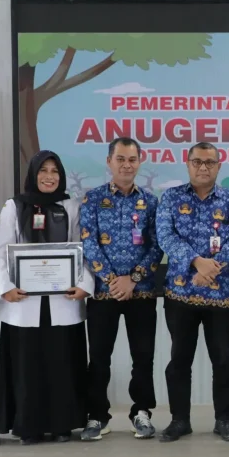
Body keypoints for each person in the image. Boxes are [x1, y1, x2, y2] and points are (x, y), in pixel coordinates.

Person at [0, 151, 93, 445]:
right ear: (33, 174)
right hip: (23, 302)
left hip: (64, 300)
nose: (49, 177)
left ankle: (63, 424)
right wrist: (6, 286)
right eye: (43, 171)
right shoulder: (14, 206)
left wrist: (84, 283)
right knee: (27, 367)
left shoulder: (71, 206)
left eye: (55, 172)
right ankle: (27, 426)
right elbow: (1, 250)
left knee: (62, 365)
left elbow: (83, 248)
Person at [155, 142, 229, 443]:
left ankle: (224, 420)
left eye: (210, 162)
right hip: (181, 293)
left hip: (220, 294)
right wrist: (197, 262)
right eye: (197, 161)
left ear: (220, 166)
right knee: (180, 359)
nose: (203, 167)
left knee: (223, 360)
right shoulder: (171, 198)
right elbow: (165, 236)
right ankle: (180, 420)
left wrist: (212, 269)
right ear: (188, 164)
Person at [80, 137, 162, 441]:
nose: (126, 165)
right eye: (120, 159)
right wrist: (114, 280)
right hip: (104, 293)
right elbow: (89, 243)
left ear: (140, 162)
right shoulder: (92, 199)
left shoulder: (152, 201)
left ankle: (141, 413)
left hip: (141, 293)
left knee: (143, 356)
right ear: (109, 162)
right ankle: (97, 416)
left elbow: (157, 246)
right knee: (99, 356)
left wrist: (134, 278)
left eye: (132, 159)